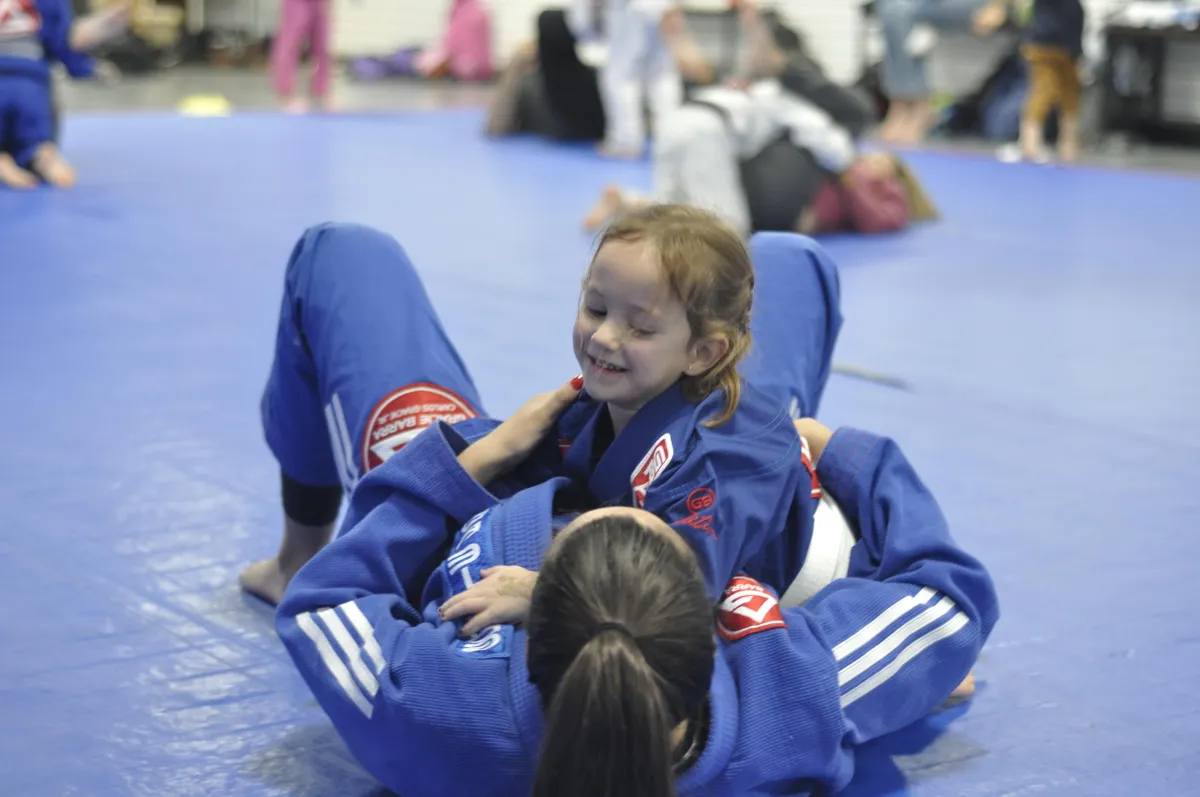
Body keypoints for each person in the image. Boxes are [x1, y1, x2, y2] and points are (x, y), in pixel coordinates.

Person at [275, 404, 999, 797]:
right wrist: (844, 450)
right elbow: (949, 597)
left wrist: (466, 466)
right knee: (783, 265)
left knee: (340, 256)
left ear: (536, 614)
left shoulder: (444, 707)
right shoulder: (785, 687)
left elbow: (320, 602)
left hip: (471, 489)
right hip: (729, 479)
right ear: (711, 617)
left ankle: (279, 551)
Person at [242, 205, 841, 606]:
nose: (603, 338)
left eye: (638, 326)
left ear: (703, 352)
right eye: (596, 308)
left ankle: (298, 557)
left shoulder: (732, 452)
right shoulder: (593, 409)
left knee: (337, 251)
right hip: (545, 511)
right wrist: (500, 445)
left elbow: (682, 584)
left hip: (552, 571)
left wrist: (543, 593)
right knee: (791, 256)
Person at [583, 2, 939, 237]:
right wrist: (844, 163)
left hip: (678, 123)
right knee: (728, 228)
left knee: (672, 203)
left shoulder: (764, 93)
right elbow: (820, 136)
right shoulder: (796, 109)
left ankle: (626, 205)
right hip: (705, 129)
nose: (872, 160)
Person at [0, 0, 105, 189]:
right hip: (30, 76)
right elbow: (60, 42)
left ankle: (2, 159)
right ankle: (42, 153)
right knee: (35, 127)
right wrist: (86, 68)